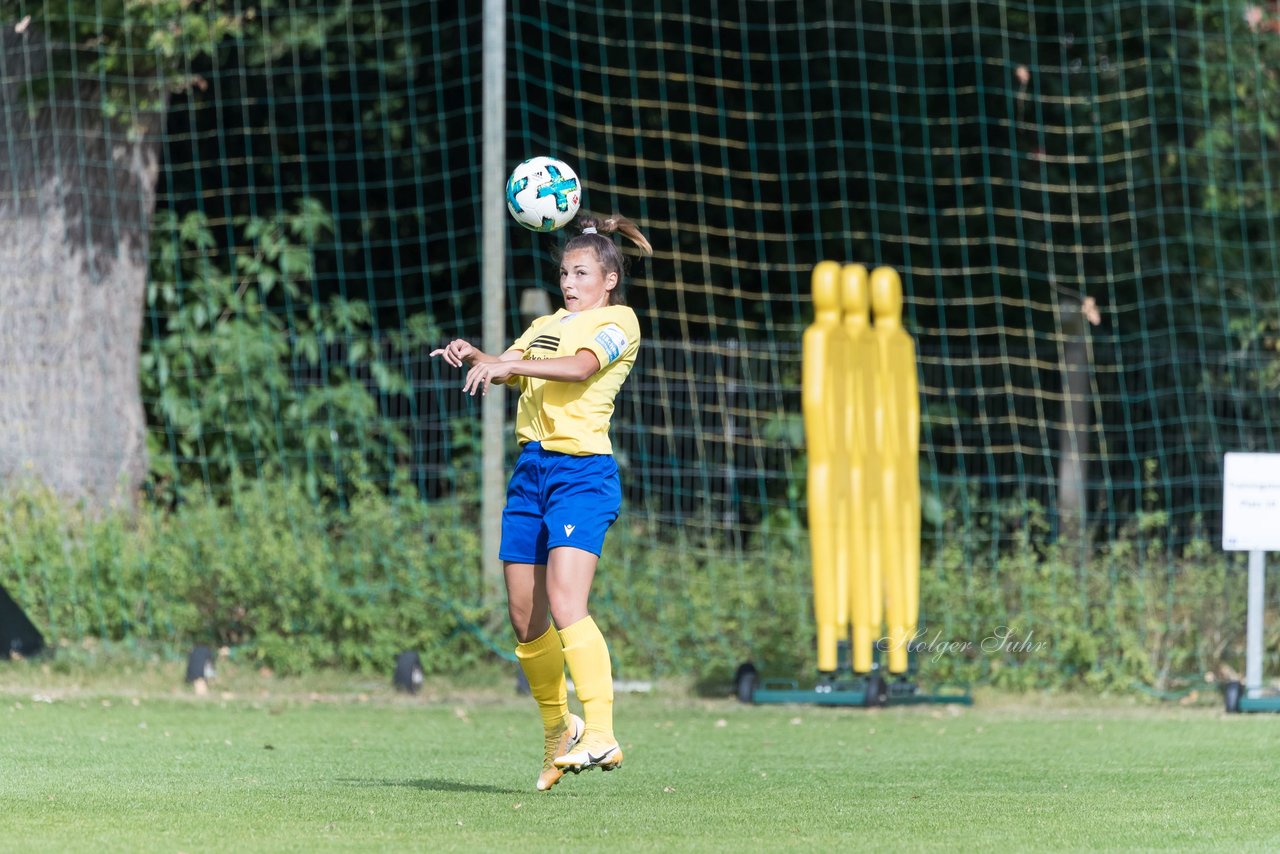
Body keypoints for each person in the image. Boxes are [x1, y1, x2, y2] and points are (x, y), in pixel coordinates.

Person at [430, 213, 652, 792]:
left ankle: (601, 730)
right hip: (531, 472)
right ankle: (560, 731)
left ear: (608, 279)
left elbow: (579, 371)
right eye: (564, 273)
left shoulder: (618, 321)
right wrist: (478, 355)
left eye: (581, 273)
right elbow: (507, 370)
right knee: (525, 620)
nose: (570, 283)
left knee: (565, 600)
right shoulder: (543, 326)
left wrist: (510, 363)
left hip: (582, 473)